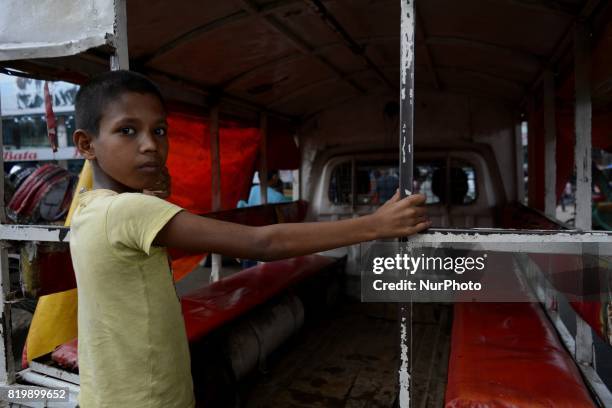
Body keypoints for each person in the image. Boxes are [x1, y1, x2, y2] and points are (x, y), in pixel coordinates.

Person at [70, 70, 430, 408]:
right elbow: (264, 244)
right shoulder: (129, 211)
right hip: (146, 397)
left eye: (160, 131)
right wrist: (375, 225)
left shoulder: (91, 209)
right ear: (87, 144)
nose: (149, 145)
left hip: (108, 391)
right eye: (128, 131)